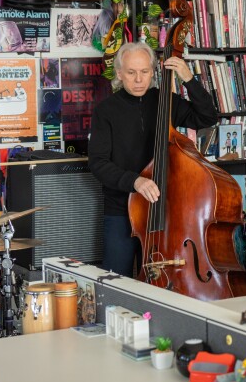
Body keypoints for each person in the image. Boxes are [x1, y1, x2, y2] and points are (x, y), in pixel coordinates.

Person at [89, 42, 218, 278]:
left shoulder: (166, 102)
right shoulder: (105, 111)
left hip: (167, 209)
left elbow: (208, 117)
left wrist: (188, 78)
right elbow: (98, 163)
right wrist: (135, 182)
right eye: (131, 72)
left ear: (152, 72)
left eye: (144, 72)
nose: (139, 79)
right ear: (119, 74)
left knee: (168, 279)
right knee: (115, 281)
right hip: (122, 211)